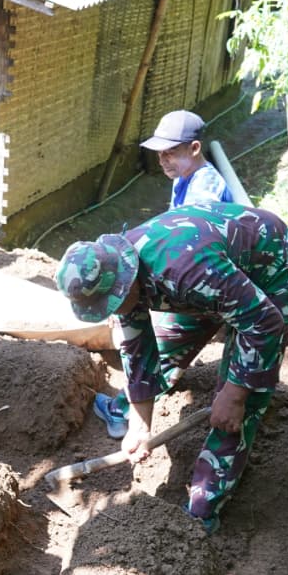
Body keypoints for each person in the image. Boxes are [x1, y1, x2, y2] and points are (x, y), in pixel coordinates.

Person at [56, 202, 288, 534]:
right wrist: (140, 426)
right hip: (219, 279)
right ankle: (124, 413)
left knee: (242, 399)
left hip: (274, 268)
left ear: (125, 281)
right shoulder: (119, 269)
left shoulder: (186, 272)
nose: (112, 309)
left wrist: (234, 394)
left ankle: (202, 513)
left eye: (112, 302)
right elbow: (136, 346)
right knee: (166, 345)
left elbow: (265, 323)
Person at [92, 109, 235, 439]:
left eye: (171, 152)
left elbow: (188, 250)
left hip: (209, 284)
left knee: (161, 342)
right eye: (160, 153)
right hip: (199, 279)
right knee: (160, 335)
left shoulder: (205, 189)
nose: (162, 159)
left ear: (195, 148)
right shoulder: (184, 179)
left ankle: (122, 412)